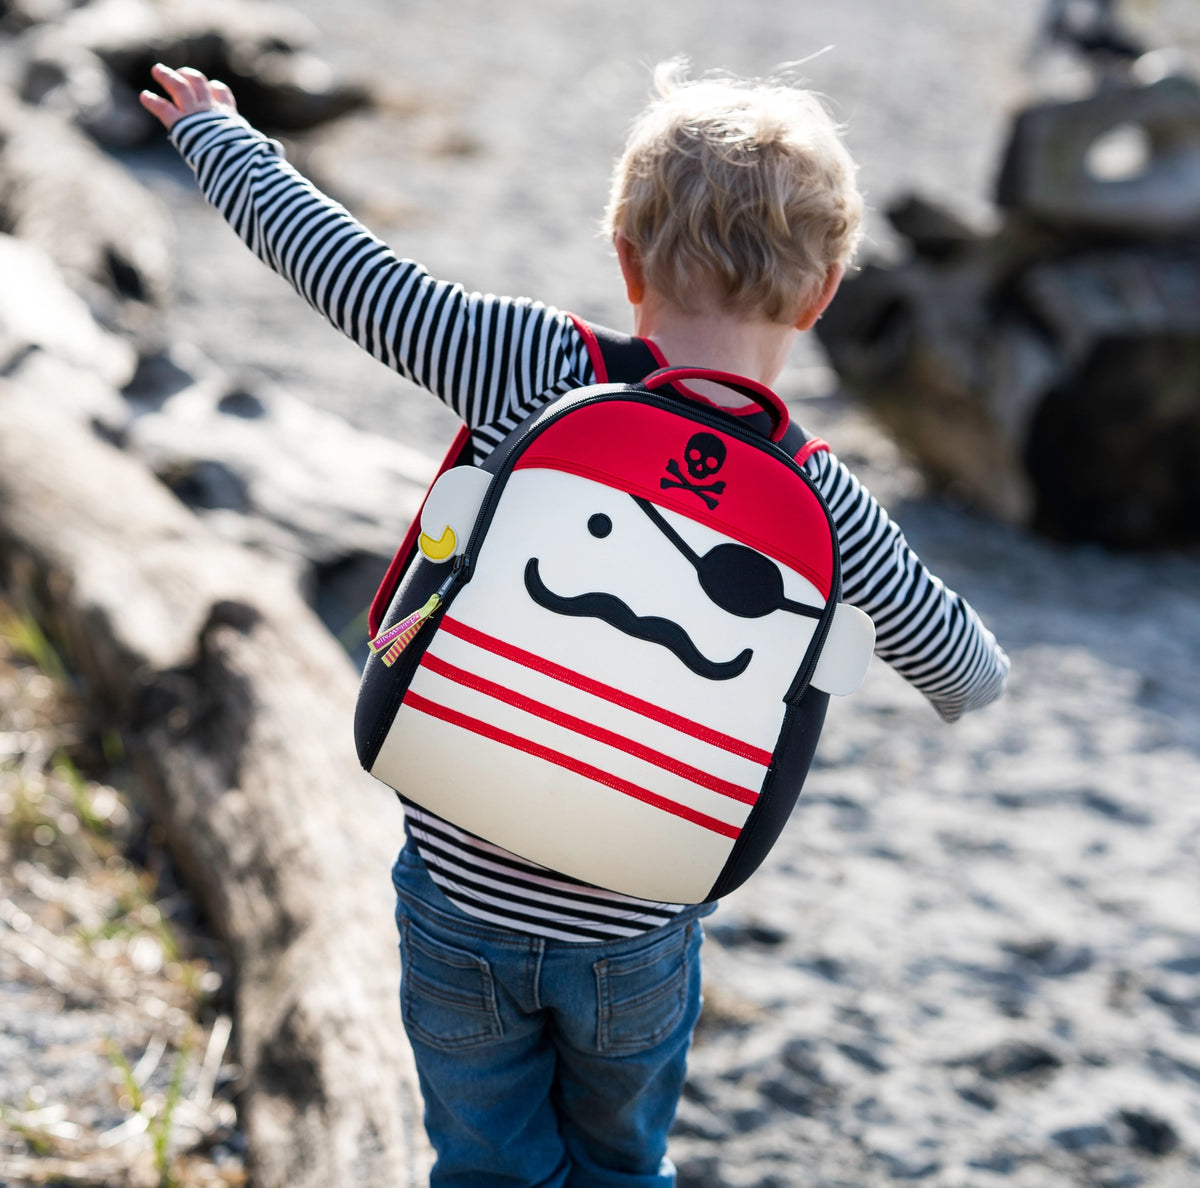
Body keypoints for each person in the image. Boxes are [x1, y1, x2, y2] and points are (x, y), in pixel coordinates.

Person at [141, 59, 1009, 1188]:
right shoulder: (825, 500)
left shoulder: (534, 365)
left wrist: (222, 138)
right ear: (823, 294)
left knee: (489, 1161)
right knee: (617, 1165)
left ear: (626, 255)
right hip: (638, 929)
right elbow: (965, 674)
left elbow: (346, 274)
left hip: (460, 894)